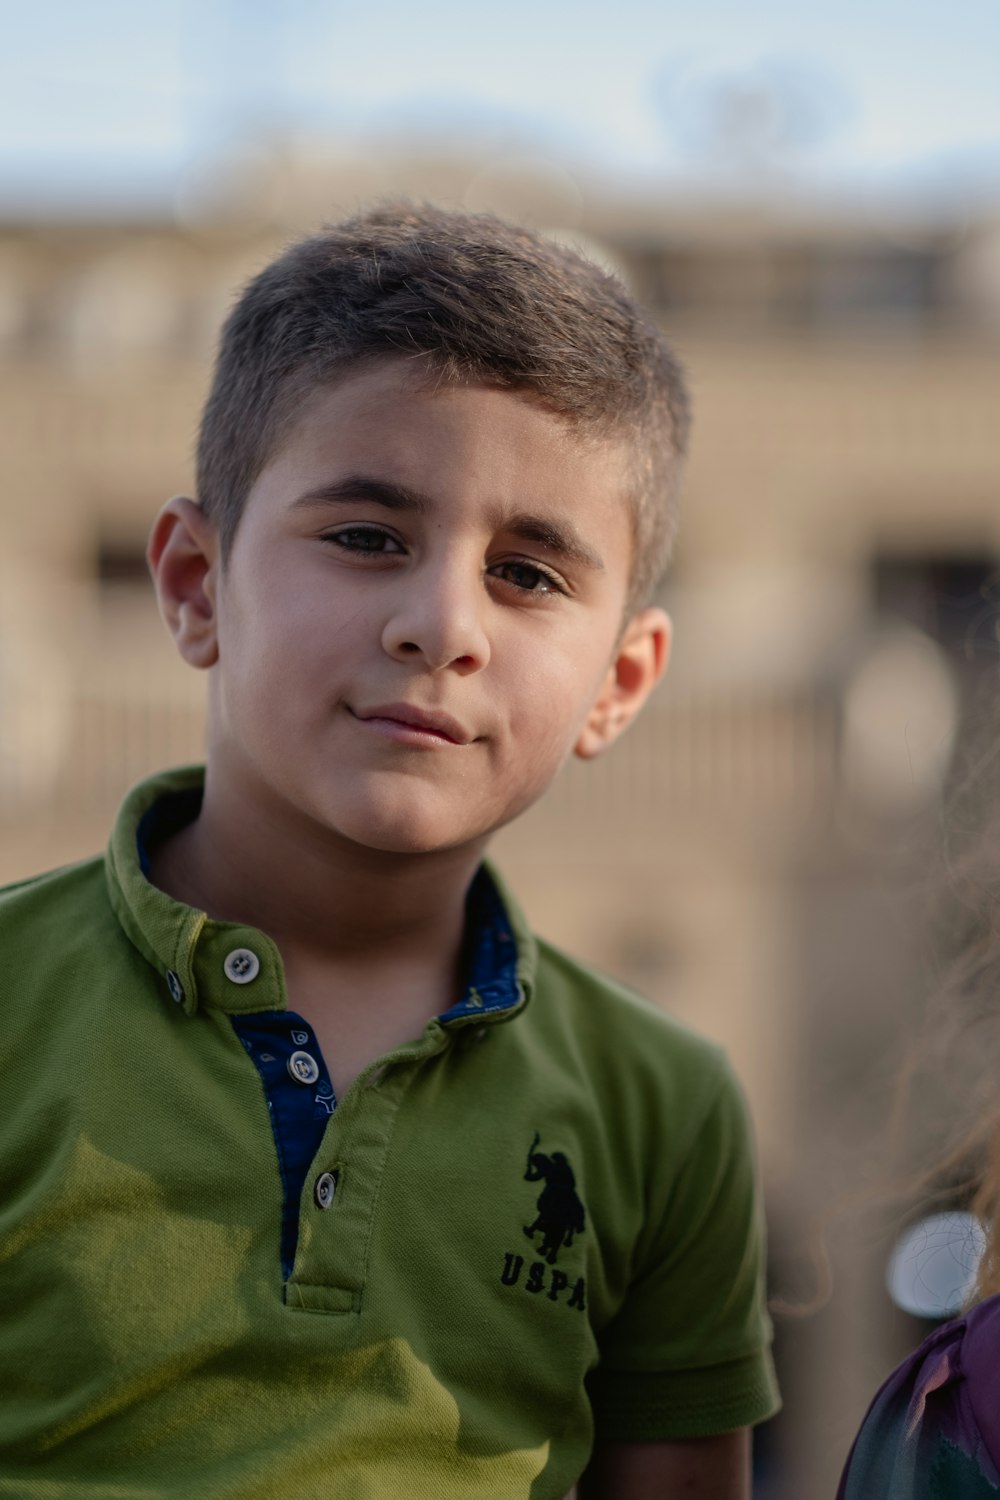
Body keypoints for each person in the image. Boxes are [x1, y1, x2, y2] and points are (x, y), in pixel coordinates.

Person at [0, 204, 779, 1499]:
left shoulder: (665, 1105)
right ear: (198, 584)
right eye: (367, 538)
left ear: (620, 683)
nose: (441, 625)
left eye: (529, 574)